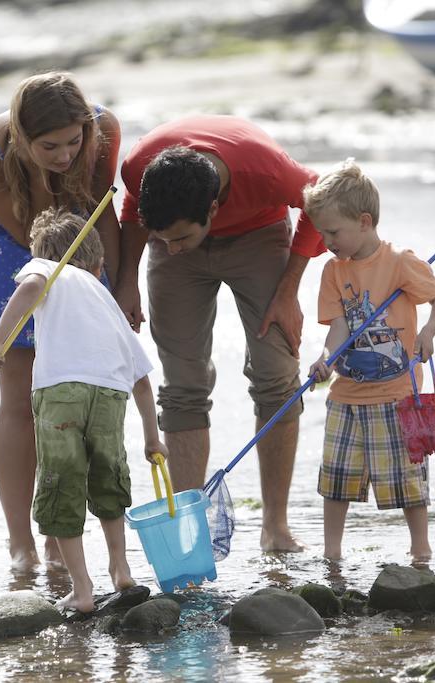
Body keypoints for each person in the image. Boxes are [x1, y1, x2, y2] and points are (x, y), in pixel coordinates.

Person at [114, 115, 327, 552]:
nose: (171, 249)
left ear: (212, 209)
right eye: (164, 239)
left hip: (258, 234)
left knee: (276, 372)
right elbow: (134, 211)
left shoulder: (266, 170)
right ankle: (188, 536)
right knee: (181, 384)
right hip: (179, 243)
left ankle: (276, 528)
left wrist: (288, 292)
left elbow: (320, 201)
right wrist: (128, 279)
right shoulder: (138, 167)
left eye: (180, 238)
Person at [0, 71, 122, 571]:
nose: (67, 155)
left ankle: (59, 536)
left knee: (69, 395)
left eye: (75, 141)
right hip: (5, 242)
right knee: (22, 396)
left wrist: (114, 289)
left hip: (76, 234)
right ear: (23, 139)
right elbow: (33, 239)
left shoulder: (103, 131)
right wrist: (36, 175)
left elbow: (103, 214)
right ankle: (20, 540)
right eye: (49, 146)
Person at [0, 208, 167, 614]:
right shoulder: (107, 300)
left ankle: (82, 590)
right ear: (98, 265)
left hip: (61, 390)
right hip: (109, 394)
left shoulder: (48, 266)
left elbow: (29, 287)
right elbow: (142, 378)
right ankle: (121, 569)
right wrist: (153, 437)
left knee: (61, 486)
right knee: (107, 479)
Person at [303, 159, 435, 563]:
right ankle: (331, 552)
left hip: (395, 392)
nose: (327, 241)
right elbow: (336, 328)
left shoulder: (400, 263)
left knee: (406, 478)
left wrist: (427, 334)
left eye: (333, 232)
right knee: (336, 478)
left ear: (364, 221)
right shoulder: (333, 272)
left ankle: (420, 548)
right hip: (346, 395)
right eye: (321, 232)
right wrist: (325, 360)